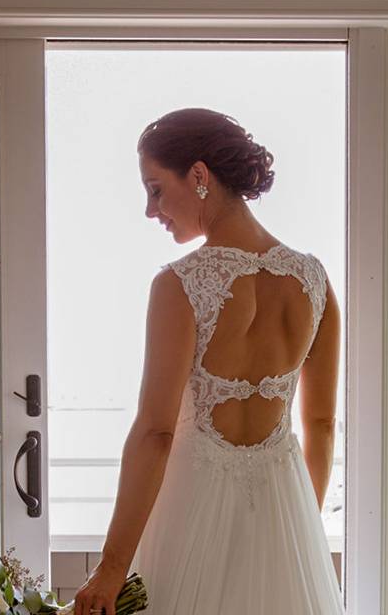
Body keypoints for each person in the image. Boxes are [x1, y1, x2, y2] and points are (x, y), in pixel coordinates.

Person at [73, 107, 344, 615]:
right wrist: (301, 530)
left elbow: (156, 432)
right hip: (283, 514)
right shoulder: (314, 280)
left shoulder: (180, 285)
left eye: (155, 189)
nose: (151, 210)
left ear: (198, 176)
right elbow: (323, 425)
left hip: (189, 512)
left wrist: (111, 570)